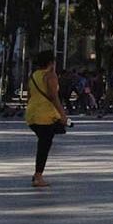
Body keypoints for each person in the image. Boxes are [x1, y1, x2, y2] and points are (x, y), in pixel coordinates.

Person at [25, 51, 68, 188]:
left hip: (32, 114)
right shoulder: (50, 76)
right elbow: (54, 97)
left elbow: (29, 95)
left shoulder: (33, 76)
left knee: (44, 142)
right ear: (51, 63)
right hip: (45, 115)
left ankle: (37, 174)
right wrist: (63, 115)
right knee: (44, 145)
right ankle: (38, 176)